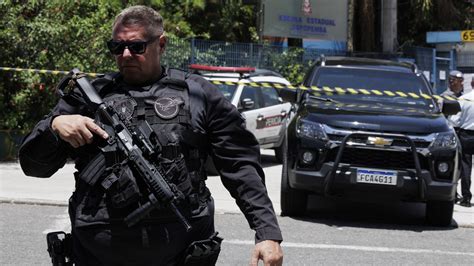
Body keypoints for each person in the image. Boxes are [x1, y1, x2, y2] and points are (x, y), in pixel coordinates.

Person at [19, 5, 283, 265]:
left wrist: (267, 233)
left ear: (162, 44)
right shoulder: (87, 97)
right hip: (98, 254)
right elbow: (33, 166)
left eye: (136, 47)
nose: (125, 54)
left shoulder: (198, 95)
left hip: (181, 253)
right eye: (116, 47)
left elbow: (240, 166)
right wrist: (55, 126)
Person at [448, 83, 473, 208]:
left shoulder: (464, 99)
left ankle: (466, 197)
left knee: (465, 165)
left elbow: (454, 120)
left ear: (472, 83)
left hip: (466, 135)